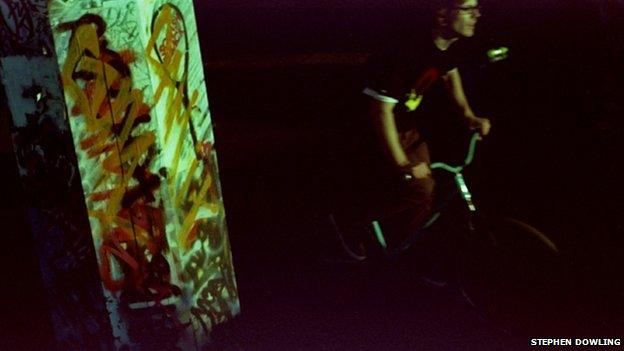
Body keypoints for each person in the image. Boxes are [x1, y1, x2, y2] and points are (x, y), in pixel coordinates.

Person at [359, 0, 491, 250]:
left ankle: (403, 244)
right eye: (467, 9)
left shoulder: (449, 45)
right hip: (379, 128)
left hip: (408, 126)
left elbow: (450, 73)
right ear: (442, 16)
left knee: (430, 191)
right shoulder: (408, 51)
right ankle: (359, 223)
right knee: (421, 188)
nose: (476, 15)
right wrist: (403, 165)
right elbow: (381, 110)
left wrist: (468, 115)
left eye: (477, 8)